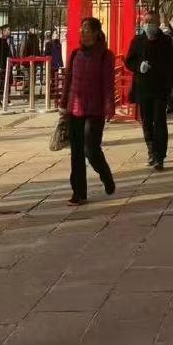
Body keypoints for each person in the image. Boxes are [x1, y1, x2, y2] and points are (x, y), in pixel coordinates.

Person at [60, 17, 116, 206]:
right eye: (81, 29)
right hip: (74, 109)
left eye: (86, 29)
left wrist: (109, 105)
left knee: (90, 149)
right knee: (76, 152)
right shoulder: (75, 54)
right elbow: (68, 80)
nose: (82, 32)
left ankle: (105, 175)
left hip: (95, 110)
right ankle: (78, 192)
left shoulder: (105, 56)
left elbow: (108, 84)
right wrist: (63, 104)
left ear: (96, 32)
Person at [126, 12, 173, 169]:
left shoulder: (166, 41)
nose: (148, 24)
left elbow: (170, 63)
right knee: (147, 121)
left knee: (160, 121)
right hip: (143, 87)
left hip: (160, 88)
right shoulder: (137, 41)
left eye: (152, 21)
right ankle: (151, 150)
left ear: (158, 23)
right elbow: (129, 61)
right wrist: (138, 66)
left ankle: (160, 156)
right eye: (146, 21)